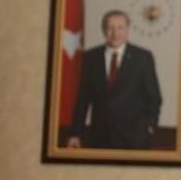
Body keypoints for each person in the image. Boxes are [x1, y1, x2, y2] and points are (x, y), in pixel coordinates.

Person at [66, 9, 163, 150]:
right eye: (110, 28)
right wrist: (75, 133)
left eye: (120, 28)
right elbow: (83, 99)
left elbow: (154, 97)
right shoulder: (91, 57)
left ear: (127, 30)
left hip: (134, 138)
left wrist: (149, 127)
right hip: (99, 137)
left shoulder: (143, 58)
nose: (115, 33)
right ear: (103, 30)